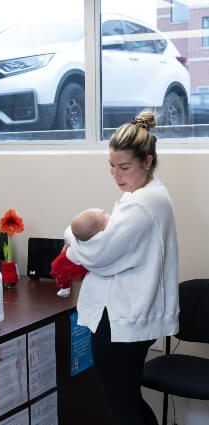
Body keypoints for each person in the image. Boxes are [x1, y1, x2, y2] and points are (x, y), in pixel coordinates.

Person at [64, 110, 179, 425]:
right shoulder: (152, 194)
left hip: (119, 320)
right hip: (125, 317)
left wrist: (71, 237)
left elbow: (97, 254)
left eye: (124, 167)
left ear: (148, 162)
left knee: (123, 406)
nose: (116, 175)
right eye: (112, 166)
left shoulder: (141, 204)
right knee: (128, 400)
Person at [51, 208, 109, 297]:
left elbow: (66, 245)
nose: (103, 211)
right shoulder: (102, 238)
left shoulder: (72, 234)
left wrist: (62, 253)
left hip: (72, 260)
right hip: (83, 262)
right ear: (100, 228)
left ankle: (65, 288)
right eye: (103, 215)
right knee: (65, 273)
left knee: (62, 273)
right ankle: (65, 288)